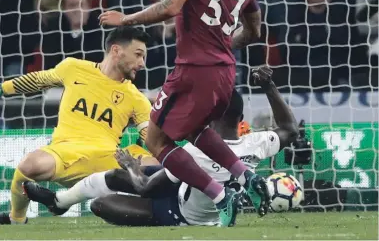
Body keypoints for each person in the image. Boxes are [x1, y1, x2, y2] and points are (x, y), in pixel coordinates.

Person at [99, 0, 266, 226]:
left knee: (157, 140)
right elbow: (255, 32)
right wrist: (226, 45)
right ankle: (245, 176)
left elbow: (169, 7)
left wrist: (126, 19)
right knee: (194, 130)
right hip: (225, 74)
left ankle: (220, 195)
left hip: (192, 70)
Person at [23, 66, 298, 226]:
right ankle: (58, 203)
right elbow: (289, 130)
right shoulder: (258, 143)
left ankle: (61, 201)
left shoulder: (194, 153)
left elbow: (145, 187)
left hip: (183, 214)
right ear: (241, 119)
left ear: (207, 116)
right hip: (187, 189)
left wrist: (131, 166)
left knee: (101, 203)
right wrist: (269, 86)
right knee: (123, 176)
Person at [0, 26, 159, 225]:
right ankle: (16, 219)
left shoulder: (137, 98)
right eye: (138, 55)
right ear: (116, 50)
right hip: (66, 152)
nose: (142, 63)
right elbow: (36, 80)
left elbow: (152, 139)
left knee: (158, 167)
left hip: (108, 159)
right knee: (29, 165)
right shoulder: (74, 68)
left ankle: (162, 213)